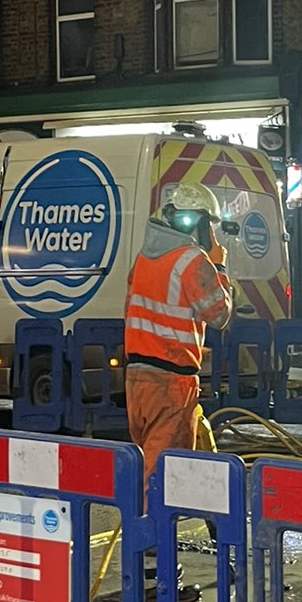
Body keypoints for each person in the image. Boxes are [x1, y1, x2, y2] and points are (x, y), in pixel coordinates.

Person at [124, 183, 235, 502]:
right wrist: (220, 266)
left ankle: (201, 518)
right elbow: (219, 315)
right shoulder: (193, 260)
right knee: (160, 471)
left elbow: (131, 311)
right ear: (202, 225)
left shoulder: (144, 259)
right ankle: (151, 539)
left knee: (147, 458)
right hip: (171, 380)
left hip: (137, 377)